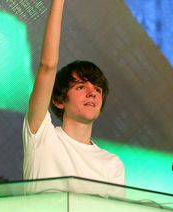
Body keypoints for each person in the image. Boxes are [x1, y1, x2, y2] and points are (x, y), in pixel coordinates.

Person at [22, 0, 125, 186]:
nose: (92, 93)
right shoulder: (42, 137)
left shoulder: (112, 164)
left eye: (97, 89)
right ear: (59, 101)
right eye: (81, 87)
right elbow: (47, 65)